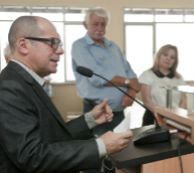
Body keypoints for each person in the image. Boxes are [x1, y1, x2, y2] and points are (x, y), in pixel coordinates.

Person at [0, 16, 133, 173]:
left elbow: (50, 136)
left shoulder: (24, 81)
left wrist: (90, 119)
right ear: (23, 45)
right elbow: (32, 156)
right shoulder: (10, 87)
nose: (61, 50)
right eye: (52, 42)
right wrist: (101, 146)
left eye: (59, 44)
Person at [72, 6, 141, 173]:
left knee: (117, 158)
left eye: (103, 24)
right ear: (85, 24)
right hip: (97, 113)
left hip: (119, 113)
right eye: (95, 24)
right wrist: (128, 83)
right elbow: (98, 78)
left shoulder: (113, 46)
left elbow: (132, 76)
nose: (100, 28)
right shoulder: (80, 46)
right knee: (94, 159)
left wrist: (131, 92)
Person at [139, 44, 186, 126]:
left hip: (175, 120)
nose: (168, 58)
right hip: (153, 118)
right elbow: (147, 101)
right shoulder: (147, 75)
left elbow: (184, 100)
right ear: (159, 55)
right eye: (165, 54)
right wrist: (163, 116)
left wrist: (177, 117)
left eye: (172, 57)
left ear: (175, 61)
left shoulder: (179, 78)